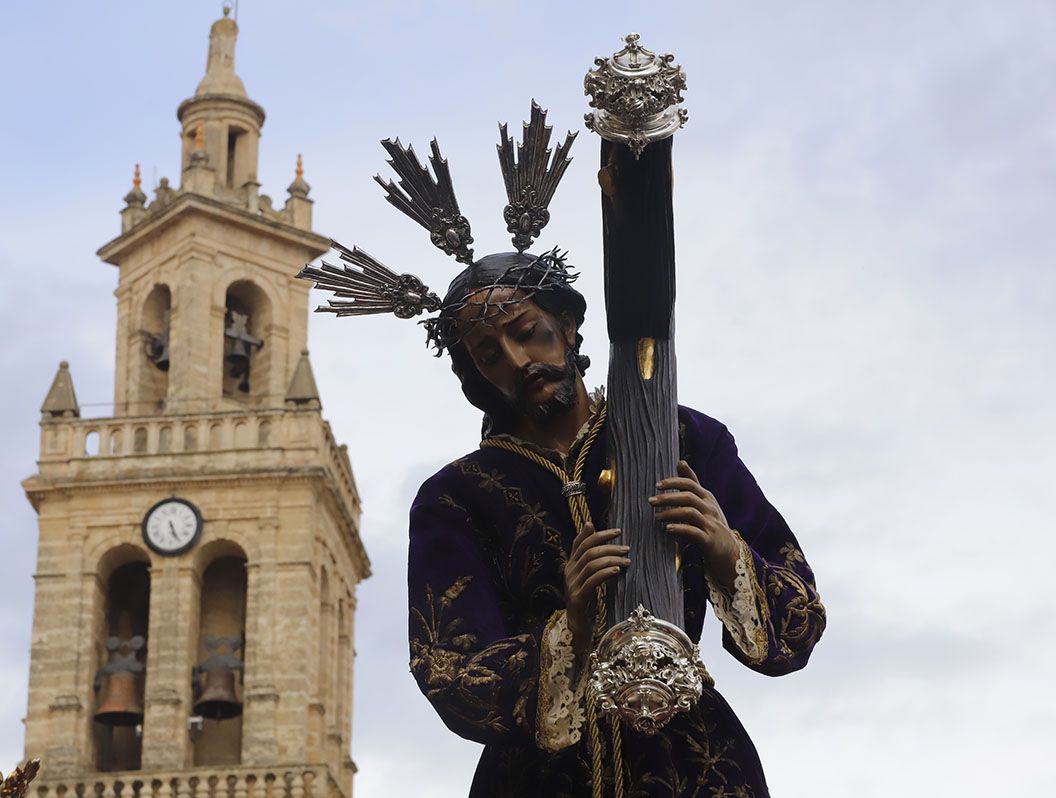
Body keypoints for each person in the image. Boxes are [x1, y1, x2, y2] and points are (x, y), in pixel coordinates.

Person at [298, 105, 826, 797]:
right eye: (490, 354)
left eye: (528, 332)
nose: (518, 359)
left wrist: (726, 551)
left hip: (694, 763)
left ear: (569, 325)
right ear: (475, 377)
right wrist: (570, 623)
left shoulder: (688, 437)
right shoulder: (457, 497)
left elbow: (800, 623)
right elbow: (452, 676)